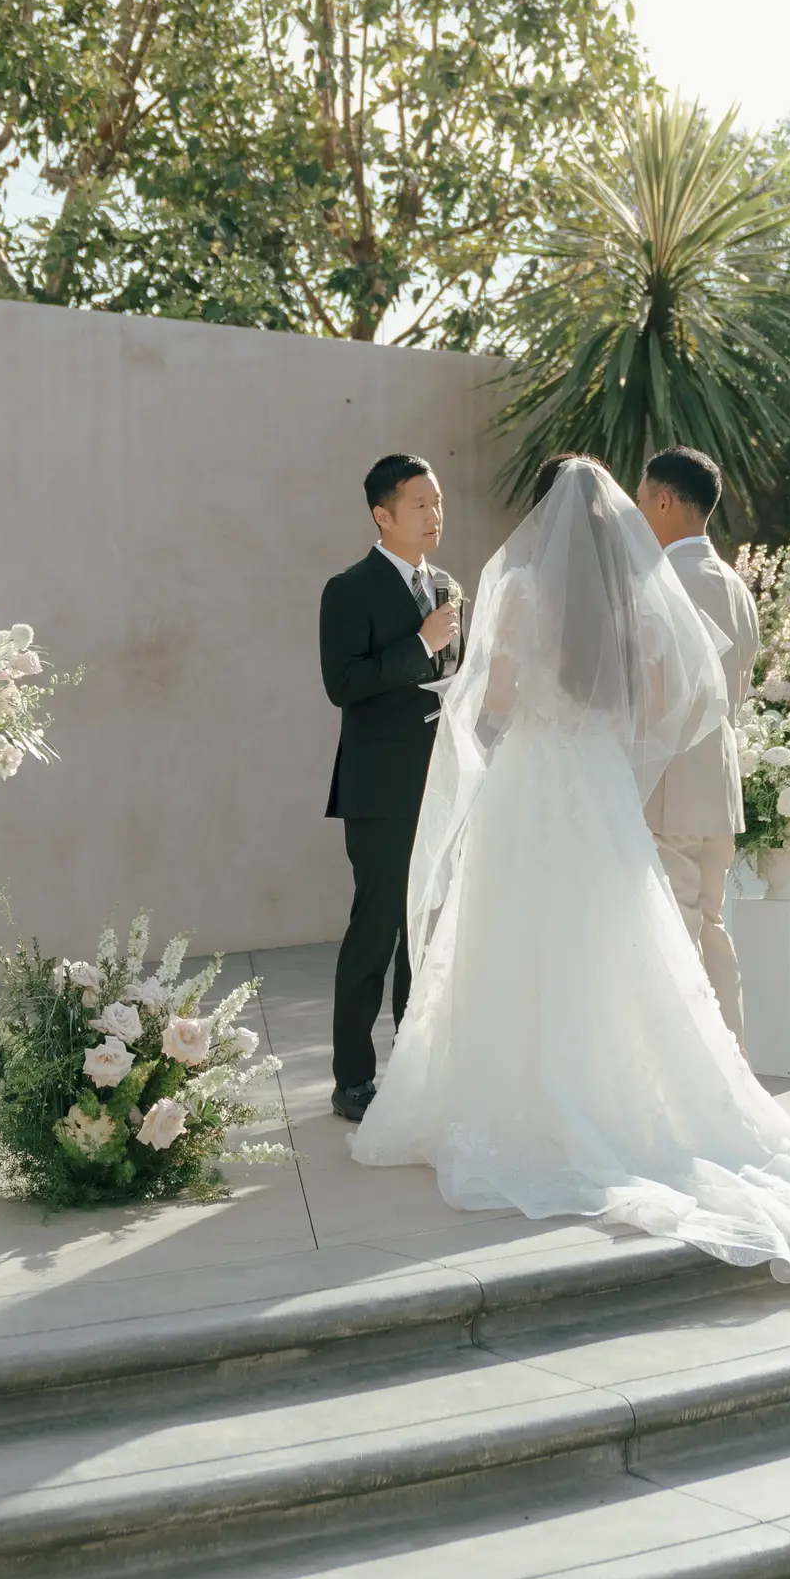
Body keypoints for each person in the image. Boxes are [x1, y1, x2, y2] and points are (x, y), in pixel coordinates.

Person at [352, 457, 790, 1296]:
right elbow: (663, 696)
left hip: (535, 782)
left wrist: (501, 703)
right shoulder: (630, 593)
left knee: (520, 934)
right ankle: (614, 1090)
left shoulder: (518, 589)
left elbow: (501, 694)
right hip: (596, 783)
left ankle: (525, 1092)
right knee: (617, 943)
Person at [320, 453, 461, 1123]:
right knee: (375, 931)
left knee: (425, 933)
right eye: (419, 505)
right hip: (379, 790)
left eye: (437, 503)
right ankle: (352, 1079)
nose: (434, 515)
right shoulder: (348, 589)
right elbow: (341, 685)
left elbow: (454, 671)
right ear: (383, 515)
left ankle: (414, 1066)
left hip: (440, 783)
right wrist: (421, 645)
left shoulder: (448, 585)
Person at [636, 445, 760, 1049]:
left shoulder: (661, 584)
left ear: (663, 500)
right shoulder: (735, 585)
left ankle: (694, 1080)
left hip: (671, 788)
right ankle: (732, 1061)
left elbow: (650, 695)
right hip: (720, 786)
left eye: (640, 499)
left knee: (675, 936)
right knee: (711, 926)